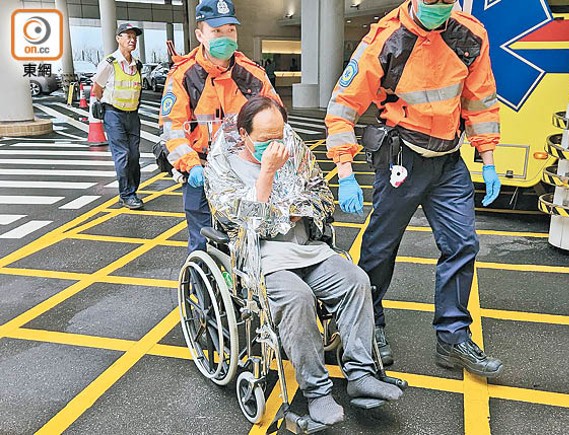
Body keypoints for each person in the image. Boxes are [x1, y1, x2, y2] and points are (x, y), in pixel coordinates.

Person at [324, 0, 504, 377]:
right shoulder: (386, 38)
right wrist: (344, 170)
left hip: (449, 159)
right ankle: (367, 327)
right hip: (401, 156)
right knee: (380, 247)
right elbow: (344, 104)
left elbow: (480, 98)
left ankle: (453, 338)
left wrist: (487, 160)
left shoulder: (470, 33)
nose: (438, 7)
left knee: (462, 244)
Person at [205, 96, 403, 426]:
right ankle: (317, 392)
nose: (276, 145)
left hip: (308, 247)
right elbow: (244, 221)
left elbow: (319, 195)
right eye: (266, 139)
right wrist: (267, 173)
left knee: (356, 281)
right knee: (298, 299)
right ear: (244, 134)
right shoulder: (223, 166)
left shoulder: (293, 149)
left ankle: (360, 373)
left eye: (279, 135)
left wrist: (288, 211)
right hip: (262, 259)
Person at [160, 0, 281, 253]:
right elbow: (173, 129)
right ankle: (202, 291)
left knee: (252, 237)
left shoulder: (254, 75)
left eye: (230, 30)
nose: (225, 37)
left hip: (246, 171)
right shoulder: (183, 76)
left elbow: (276, 120)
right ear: (200, 34)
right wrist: (191, 165)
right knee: (203, 242)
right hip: (200, 172)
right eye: (217, 31)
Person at [92, 23, 144, 210]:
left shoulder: (137, 64)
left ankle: (132, 191)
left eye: (134, 37)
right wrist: (104, 104)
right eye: (127, 36)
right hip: (114, 114)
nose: (132, 40)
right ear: (118, 39)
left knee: (134, 156)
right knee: (123, 155)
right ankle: (127, 195)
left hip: (133, 115)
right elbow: (97, 88)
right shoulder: (110, 63)